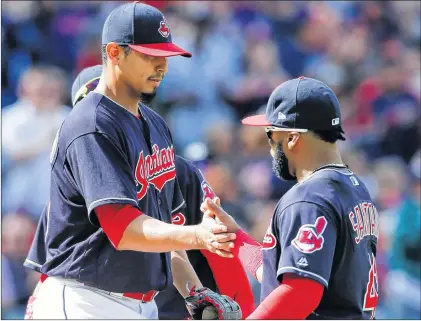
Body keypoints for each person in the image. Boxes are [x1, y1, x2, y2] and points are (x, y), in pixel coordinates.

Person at [24, 3, 238, 319]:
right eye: (149, 55)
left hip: (141, 303)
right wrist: (198, 235)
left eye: (164, 56)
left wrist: (195, 292)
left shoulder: (155, 125)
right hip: (87, 300)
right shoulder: (91, 124)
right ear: (114, 52)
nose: (161, 66)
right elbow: (123, 229)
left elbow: (164, 231)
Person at [202, 76, 380, 319]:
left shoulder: (309, 197)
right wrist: (238, 239)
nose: (270, 146)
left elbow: (300, 292)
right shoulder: (355, 188)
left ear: (293, 137)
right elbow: (288, 274)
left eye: (270, 134)